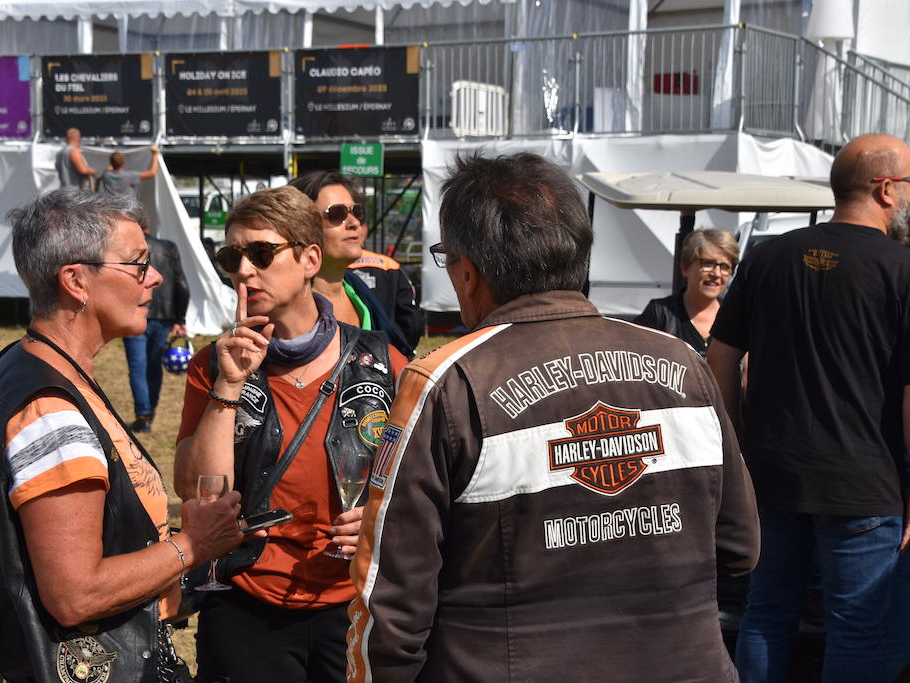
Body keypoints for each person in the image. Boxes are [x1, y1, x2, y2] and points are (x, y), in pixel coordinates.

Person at [347, 152, 759, 682]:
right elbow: (739, 549)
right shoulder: (683, 364)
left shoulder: (445, 383)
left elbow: (391, 603)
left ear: (467, 272)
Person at [0, 190, 250, 683]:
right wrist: (192, 545)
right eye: (138, 264)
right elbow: (75, 595)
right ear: (76, 281)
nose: (154, 277)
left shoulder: (31, 364)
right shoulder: (51, 411)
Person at [174, 186, 407, 683]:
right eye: (231, 257)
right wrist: (228, 386)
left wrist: (381, 517)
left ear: (310, 260)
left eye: (261, 253)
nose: (243, 271)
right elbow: (197, 489)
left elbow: (419, 484)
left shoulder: (385, 363)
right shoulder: (213, 366)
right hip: (245, 601)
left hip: (354, 604)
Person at [707, 132, 910, 682]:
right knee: (857, 627)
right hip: (866, 485)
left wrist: (738, 450)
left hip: (772, 476)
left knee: (766, 614)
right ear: (886, 189)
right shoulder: (902, 268)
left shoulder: (767, 257)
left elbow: (720, 359)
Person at [289, 171, 416, 358]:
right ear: (301, 227)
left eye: (357, 212)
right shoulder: (286, 308)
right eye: (336, 214)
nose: (354, 222)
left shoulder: (362, 295)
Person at [634, 228, 738, 358]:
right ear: (685, 267)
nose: (716, 273)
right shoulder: (659, 314)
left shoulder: (736, 318)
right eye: (708, 263)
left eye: (724, 266)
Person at [124, 224, 189, 433]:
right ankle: (150, 411)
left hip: (136, 311)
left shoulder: (129, 247)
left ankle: (143, 415)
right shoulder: (168, 247)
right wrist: (180, 319)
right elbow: (181, 284)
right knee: (154, 365)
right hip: (163, 316)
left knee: (137, 366)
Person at [349, 249, 424, 352]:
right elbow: (412, 318)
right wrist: (406, 349)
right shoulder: (390, 265)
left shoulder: (336, 267)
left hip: (349, 347)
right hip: (389, 347)